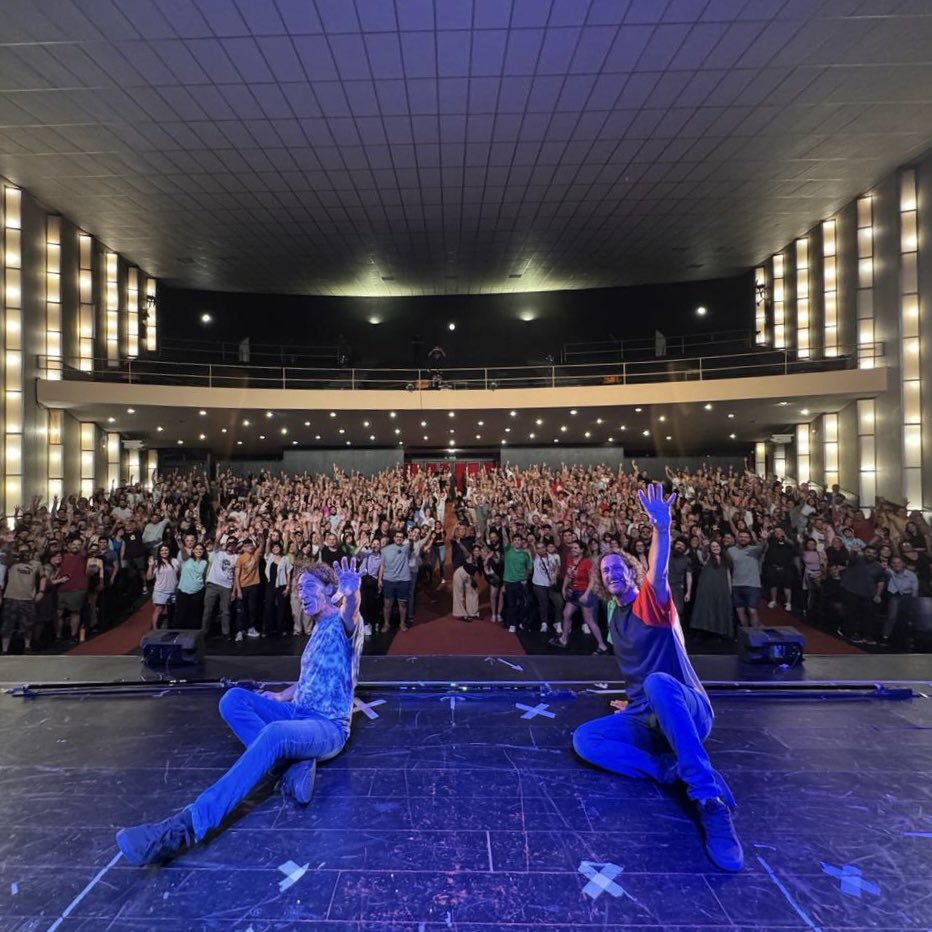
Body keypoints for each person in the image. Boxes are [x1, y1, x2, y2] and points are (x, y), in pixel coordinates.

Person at [116, 558, 364, 866]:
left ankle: (185, 828)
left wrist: (351, 593)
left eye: (309, 587)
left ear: (330, 589)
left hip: (327, 727)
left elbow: (351, 611)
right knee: (233, 700)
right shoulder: (316, 632)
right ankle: (290, 767)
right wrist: (280, 695)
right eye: (299, 588)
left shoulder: (343, 623)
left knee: (273, 735)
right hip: (298, 712)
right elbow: (309, 680)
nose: (301, 594)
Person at [572, 482, 743, 873]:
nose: (613, 572)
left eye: (619, 567)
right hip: (647, 712)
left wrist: (661, 529)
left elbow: (660, 570)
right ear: (601, 582)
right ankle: (673, 769)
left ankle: (708, 799)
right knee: (586, 739)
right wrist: (632, 704)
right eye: (606, 570)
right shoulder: (614, 617)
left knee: (659, 683)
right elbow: (637, 668)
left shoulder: (652, 601)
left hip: (688, 708)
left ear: (632, 573)